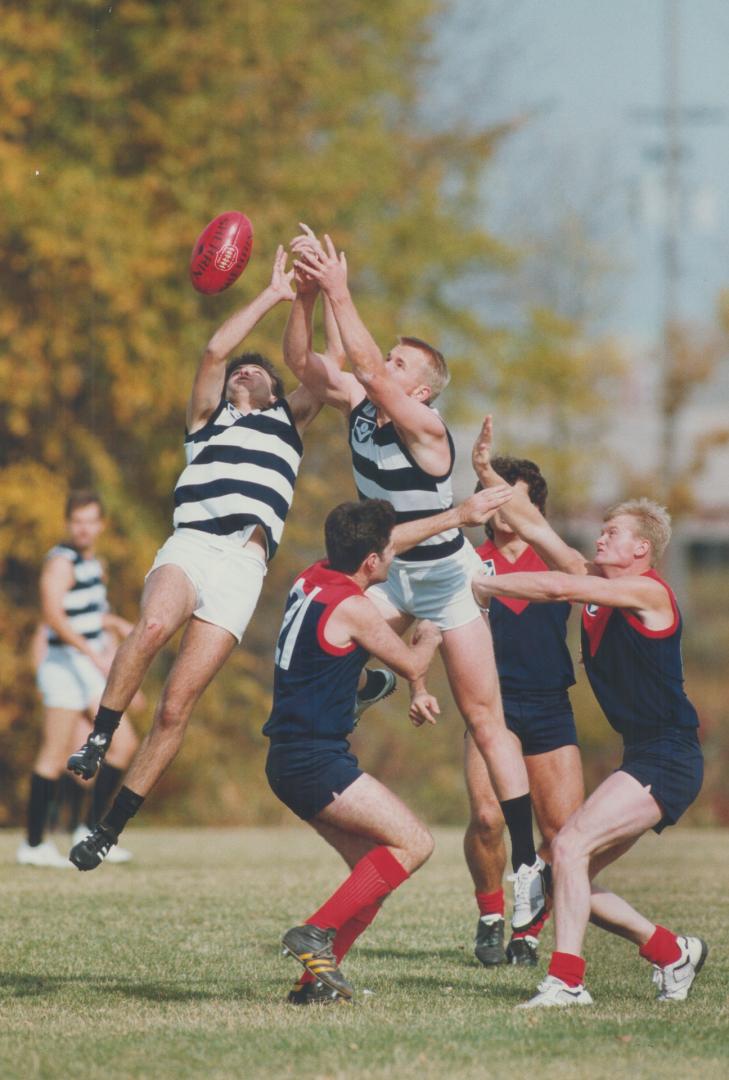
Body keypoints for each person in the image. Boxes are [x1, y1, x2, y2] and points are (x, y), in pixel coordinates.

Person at [281, 227, 545, 932]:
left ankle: (526, 864)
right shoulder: (365, 407)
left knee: (486, 721)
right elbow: (306, 366)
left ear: (419, 388)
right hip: (392, 574)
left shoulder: (427, 429)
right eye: (387, 358)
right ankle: (370, 685)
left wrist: (341, 289)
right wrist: (305, 299)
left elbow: (366, 368)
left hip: (444, 578)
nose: (382, 365)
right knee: (319, 636)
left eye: (398, 362)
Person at [66, 247, 335, 870]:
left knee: (176, 706)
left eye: (256, 372)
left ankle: (107, 831)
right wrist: (269, 293)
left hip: (244, 565)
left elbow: (321, 374)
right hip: (192, 542)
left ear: (274, 389)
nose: (242, 372)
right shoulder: (205, 423)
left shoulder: (287, 423)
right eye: (238, 373)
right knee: (153, 626)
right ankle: (100, 736)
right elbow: (216, 350)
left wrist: (308, 298)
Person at [472, 417, 707, 1007]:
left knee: (570, 845)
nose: (599, 540)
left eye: (611, 533)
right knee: (562, 872)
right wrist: (483, 475)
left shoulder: (648, 592)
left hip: (669, 755)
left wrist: (485, 581)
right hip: (645, 754)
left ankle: (567, 981)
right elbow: (532, 526)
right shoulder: (593, 580)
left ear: (640, 549)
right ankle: (671, 952)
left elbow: (553, 588)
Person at [272, 490, 513, 1004]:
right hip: (314, 759)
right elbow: (410, 663)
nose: (394, 554)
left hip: (291, 759)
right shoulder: (355, 608)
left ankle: (312, 986)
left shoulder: (313, 577)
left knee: (373, 875)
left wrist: (453, 519)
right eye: (387, 550)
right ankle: (312, 932)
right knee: (415, 844)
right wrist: (431, 626)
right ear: (371, 561)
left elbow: (388, 544)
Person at [465, 456, 584, 967]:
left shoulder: (561, 562)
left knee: (563, 836)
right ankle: (491, 915)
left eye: (518, 499)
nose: (507, 511)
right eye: (497, 498)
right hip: (490, 709)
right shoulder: (467, 563)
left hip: (551, 705)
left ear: (536, 507)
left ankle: (527, 930)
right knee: (488, 817)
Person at [17, 492, 139, 868]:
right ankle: (34, 844)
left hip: (87, 664)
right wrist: (93, 655)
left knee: (122, 747)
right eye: (77, 521)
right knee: (53, 754)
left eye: (90, 521)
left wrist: (114, 623)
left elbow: (88, 613)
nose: (83, 528)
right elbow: (53, 616)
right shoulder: (60, 562)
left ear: (101, 525)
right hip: (64, 665)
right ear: (68, 523)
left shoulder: (94, 564)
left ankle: (87, 829)